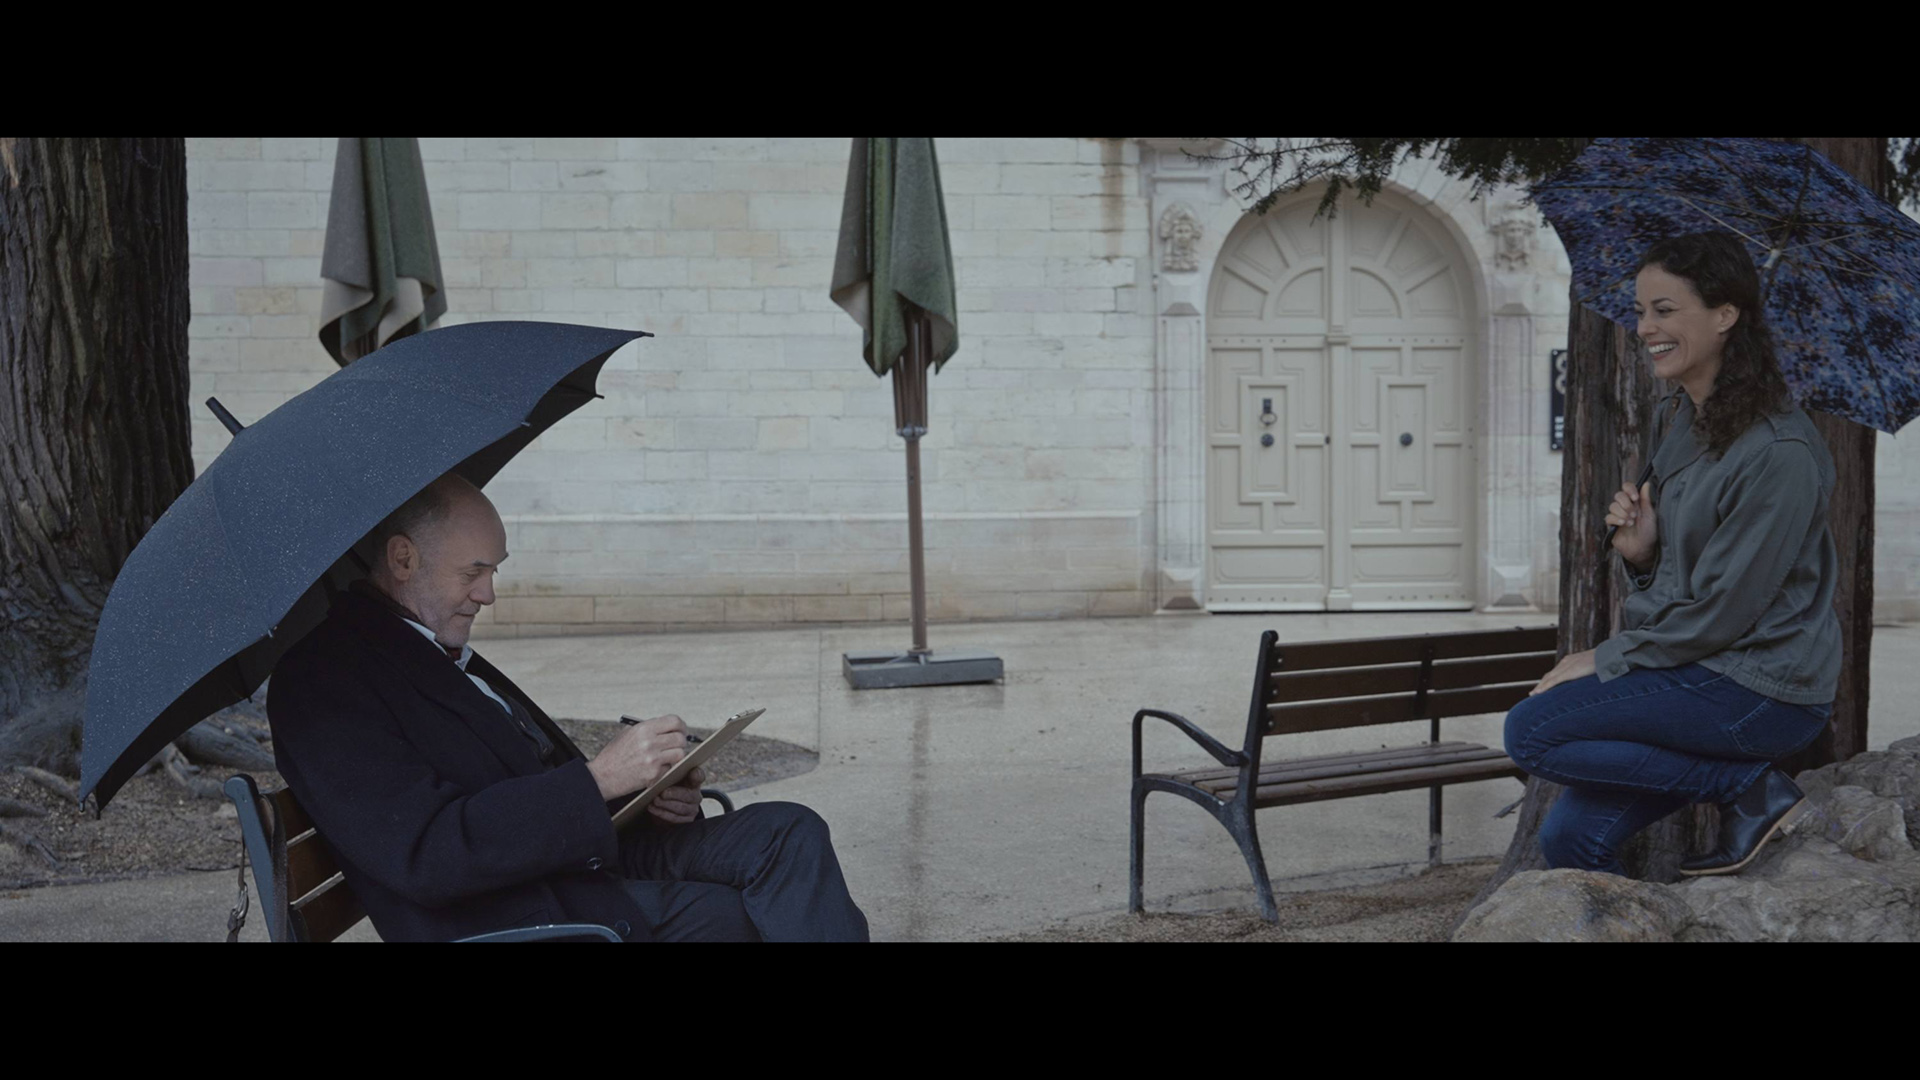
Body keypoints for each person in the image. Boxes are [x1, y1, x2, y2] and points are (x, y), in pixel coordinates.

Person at [267, 472, 870, 941]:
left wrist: (645, 797)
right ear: (403, 559)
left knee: (790, 832)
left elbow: (526, 780)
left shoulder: (429, 646)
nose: (488, 594)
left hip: (579, 860)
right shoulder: (324, 682)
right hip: (518, 911)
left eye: (493, 571)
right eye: (474, 572)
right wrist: (599, 778)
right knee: (737, 916)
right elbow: (427, 854)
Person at [1502, 230, 1841, 878]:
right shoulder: (1680, 418)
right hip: (1703, 665)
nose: (1644, 328)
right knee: (1571, 837)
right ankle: (1632, 912)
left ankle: (1745, 789)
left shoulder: (1780, 453)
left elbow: (1724, 609)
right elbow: (1692, 582)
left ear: (1725, 314)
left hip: (1761, 689)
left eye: (1664, 310)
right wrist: (1642, 556)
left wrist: (1607, 656)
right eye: (1640, 311)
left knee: (1532, 731)